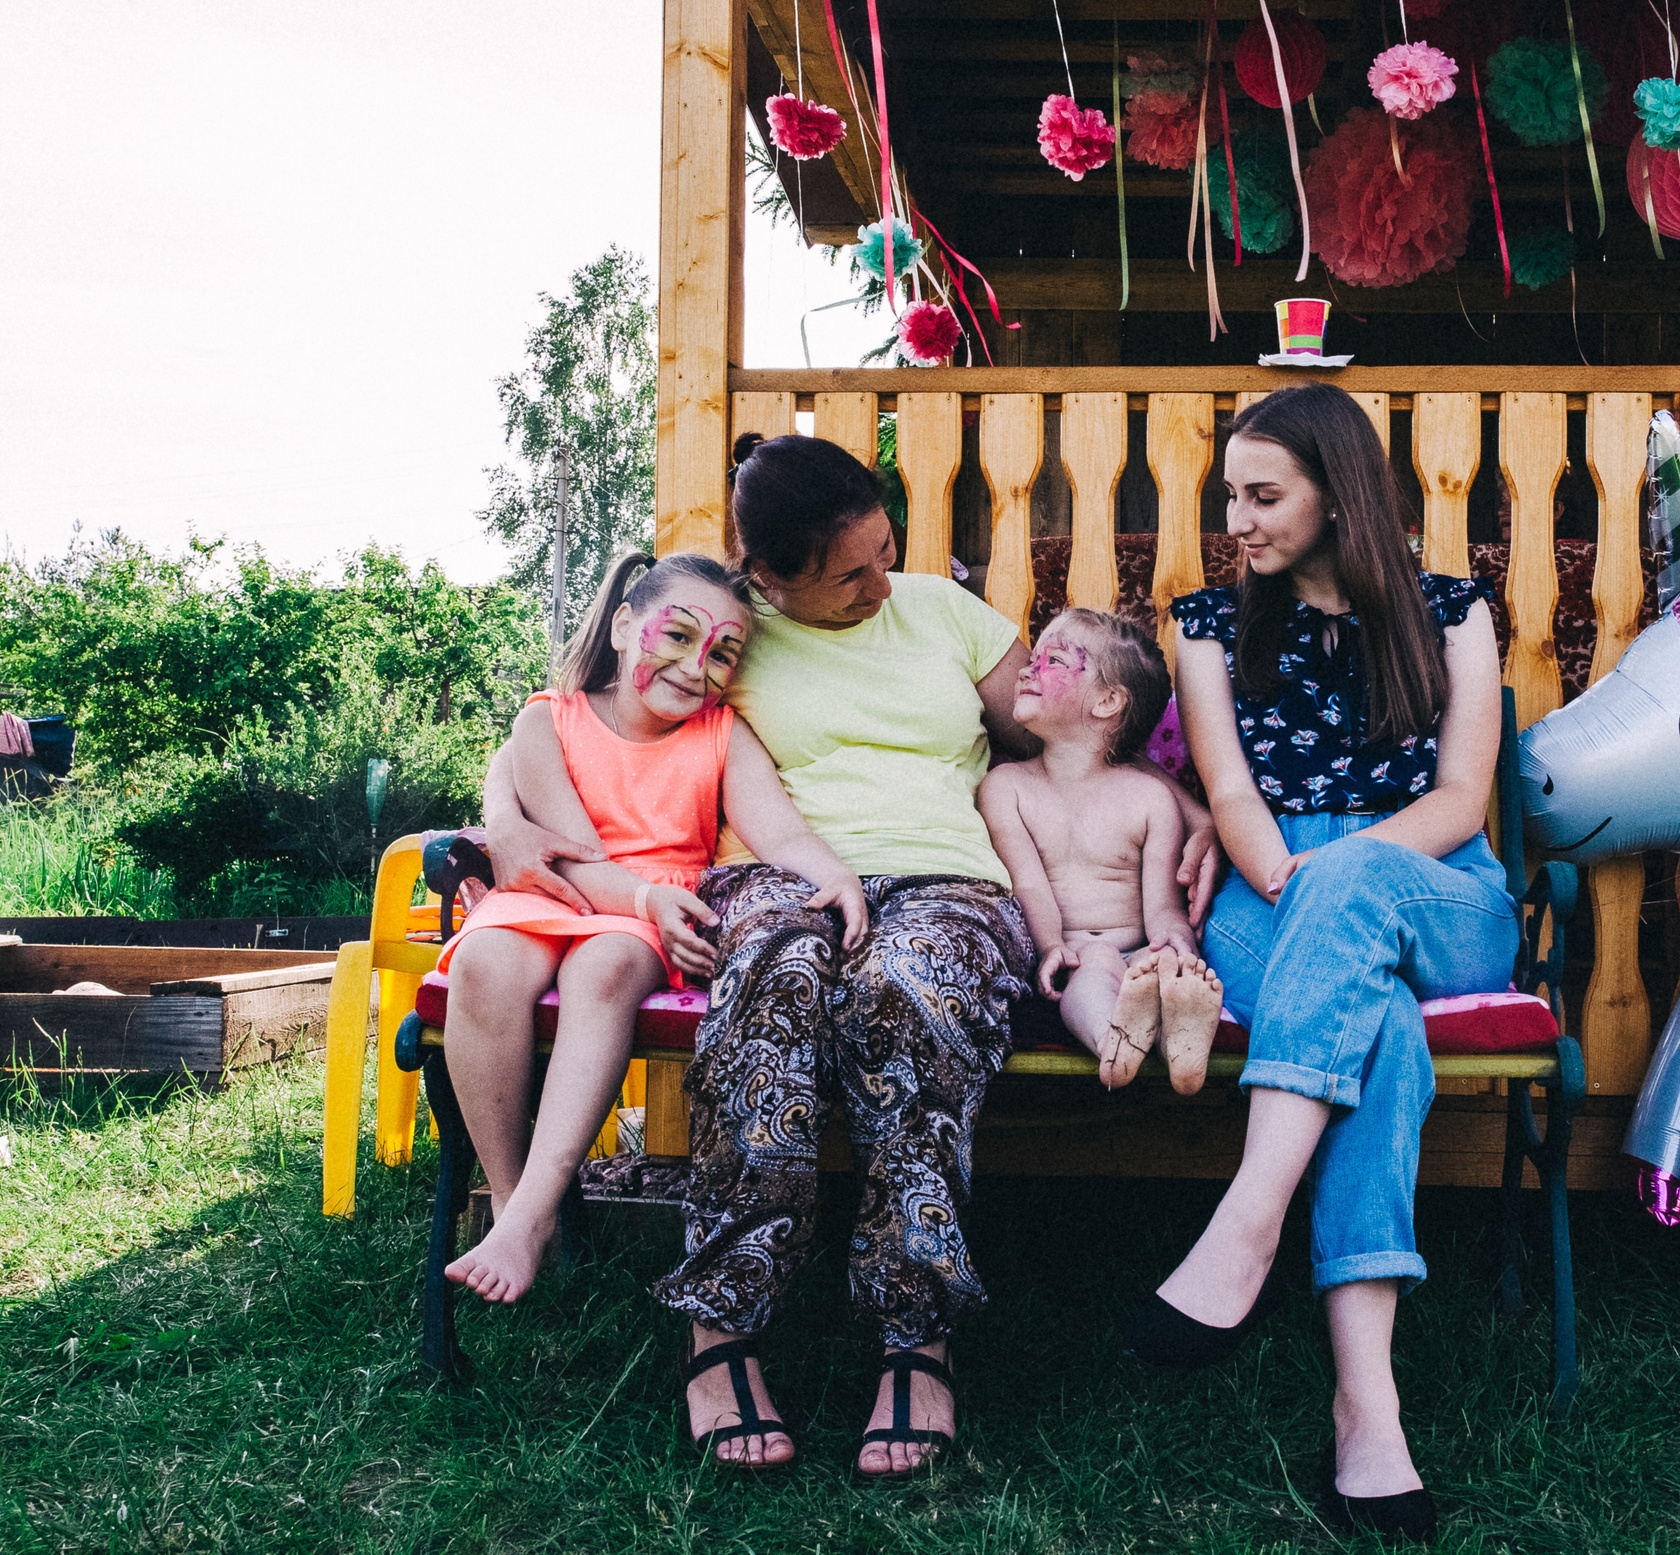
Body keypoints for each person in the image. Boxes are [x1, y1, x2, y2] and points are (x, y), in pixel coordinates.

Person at [482, 433, 1216, 1477]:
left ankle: (914, 1334)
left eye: (885, 551)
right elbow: (579, 718)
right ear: (771, 576)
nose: (883, 583)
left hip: (951, 881)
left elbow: (1070, 737)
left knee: (907, 993)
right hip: (777, 875)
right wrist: (500, 814)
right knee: (771, 988)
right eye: (848, 575)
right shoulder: (734, 638)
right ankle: (722, 1331)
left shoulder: (944, 614)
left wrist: (1186, 807)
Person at [1132, 382, 1521, 1545]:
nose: (1236, 521)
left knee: (1357, 900)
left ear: (1337, 495)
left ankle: (1248, 1223)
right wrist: (1305, 894)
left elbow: (1458, 800)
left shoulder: (1453, 612)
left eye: (1262, 496)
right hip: (1266, 892)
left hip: (1436, 889)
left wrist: (1341, 882)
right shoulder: (1207, 625)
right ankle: (1369, 1407)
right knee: (1380, 1030)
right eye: (1229, 497)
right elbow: (1233, 794)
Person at [440, 551, 864, 1308]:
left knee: (601, 970)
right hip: (563, 886)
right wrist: (633, 896)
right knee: (485, 964)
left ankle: (531, 1209)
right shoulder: (546, 720)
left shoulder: (720, 735)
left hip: (649, 915)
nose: (695, 665)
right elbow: (574, 859)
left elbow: (782, 832)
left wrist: (831, 871)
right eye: (679, 635)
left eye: (722, 652)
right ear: (627, 623)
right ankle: (513, 1201)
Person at [978, 608, 1219, 1092]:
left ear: (1108, 701)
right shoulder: (1006, 788)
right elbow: (1028, 884)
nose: (1027, 666)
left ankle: (1181, 1034)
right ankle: (1116, 1043)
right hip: (1075, 954)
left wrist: (1178, 944)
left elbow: (1164, 907)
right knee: (1092, 976)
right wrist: (1052, 949)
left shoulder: (1150, 799)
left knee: (1168, 970)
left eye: (1054, 659)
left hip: (1141, 949)